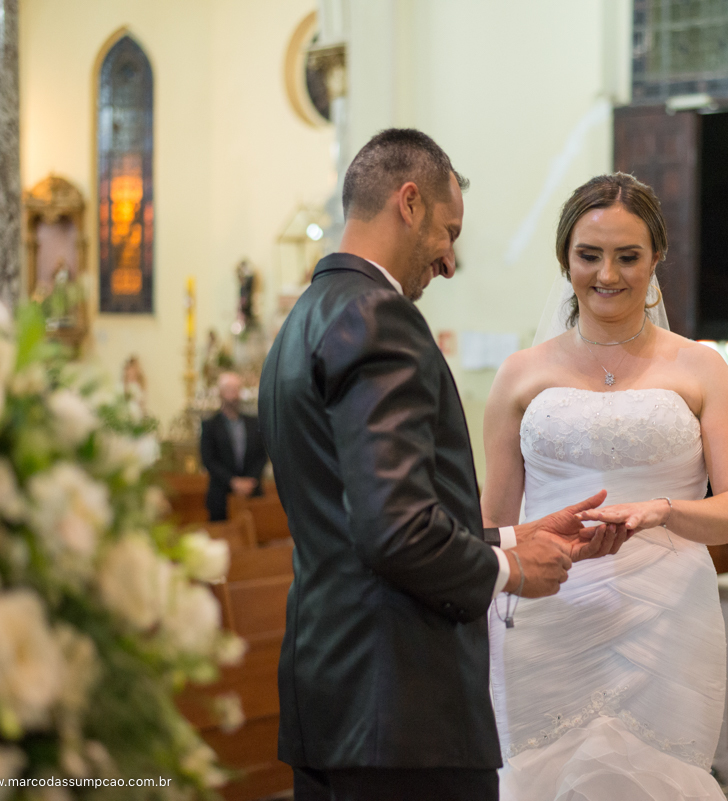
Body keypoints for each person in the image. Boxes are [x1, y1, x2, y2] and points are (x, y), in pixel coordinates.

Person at [258, 129, 629, 801]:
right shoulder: (379, 317)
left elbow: (361, 520)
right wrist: (512, 569)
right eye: (448, 231)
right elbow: (394, 531)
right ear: (409, 202)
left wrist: (518, 534)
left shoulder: (302, 321)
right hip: (402, 713)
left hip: (331, 699)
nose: (450, 261)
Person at [481, 173, 728, 799]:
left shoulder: (701, 367)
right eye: (589, 255)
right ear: (565, 260)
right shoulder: (521, 375)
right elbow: (494, 527)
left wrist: (665, 511)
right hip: (548, 607)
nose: (607, 274)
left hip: (665, 615)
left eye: (628, 256)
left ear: (656, 258)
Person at [200, 371, 266, 521]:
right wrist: (233, 481)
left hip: (252, 493)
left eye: (237, 389)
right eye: (230, 390)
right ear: (221, 393)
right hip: (221, 495)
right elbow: (208, 459)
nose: (234, 395)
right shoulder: (211, 425)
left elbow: (262, 455)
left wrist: (250, 480)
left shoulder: (254, 423)